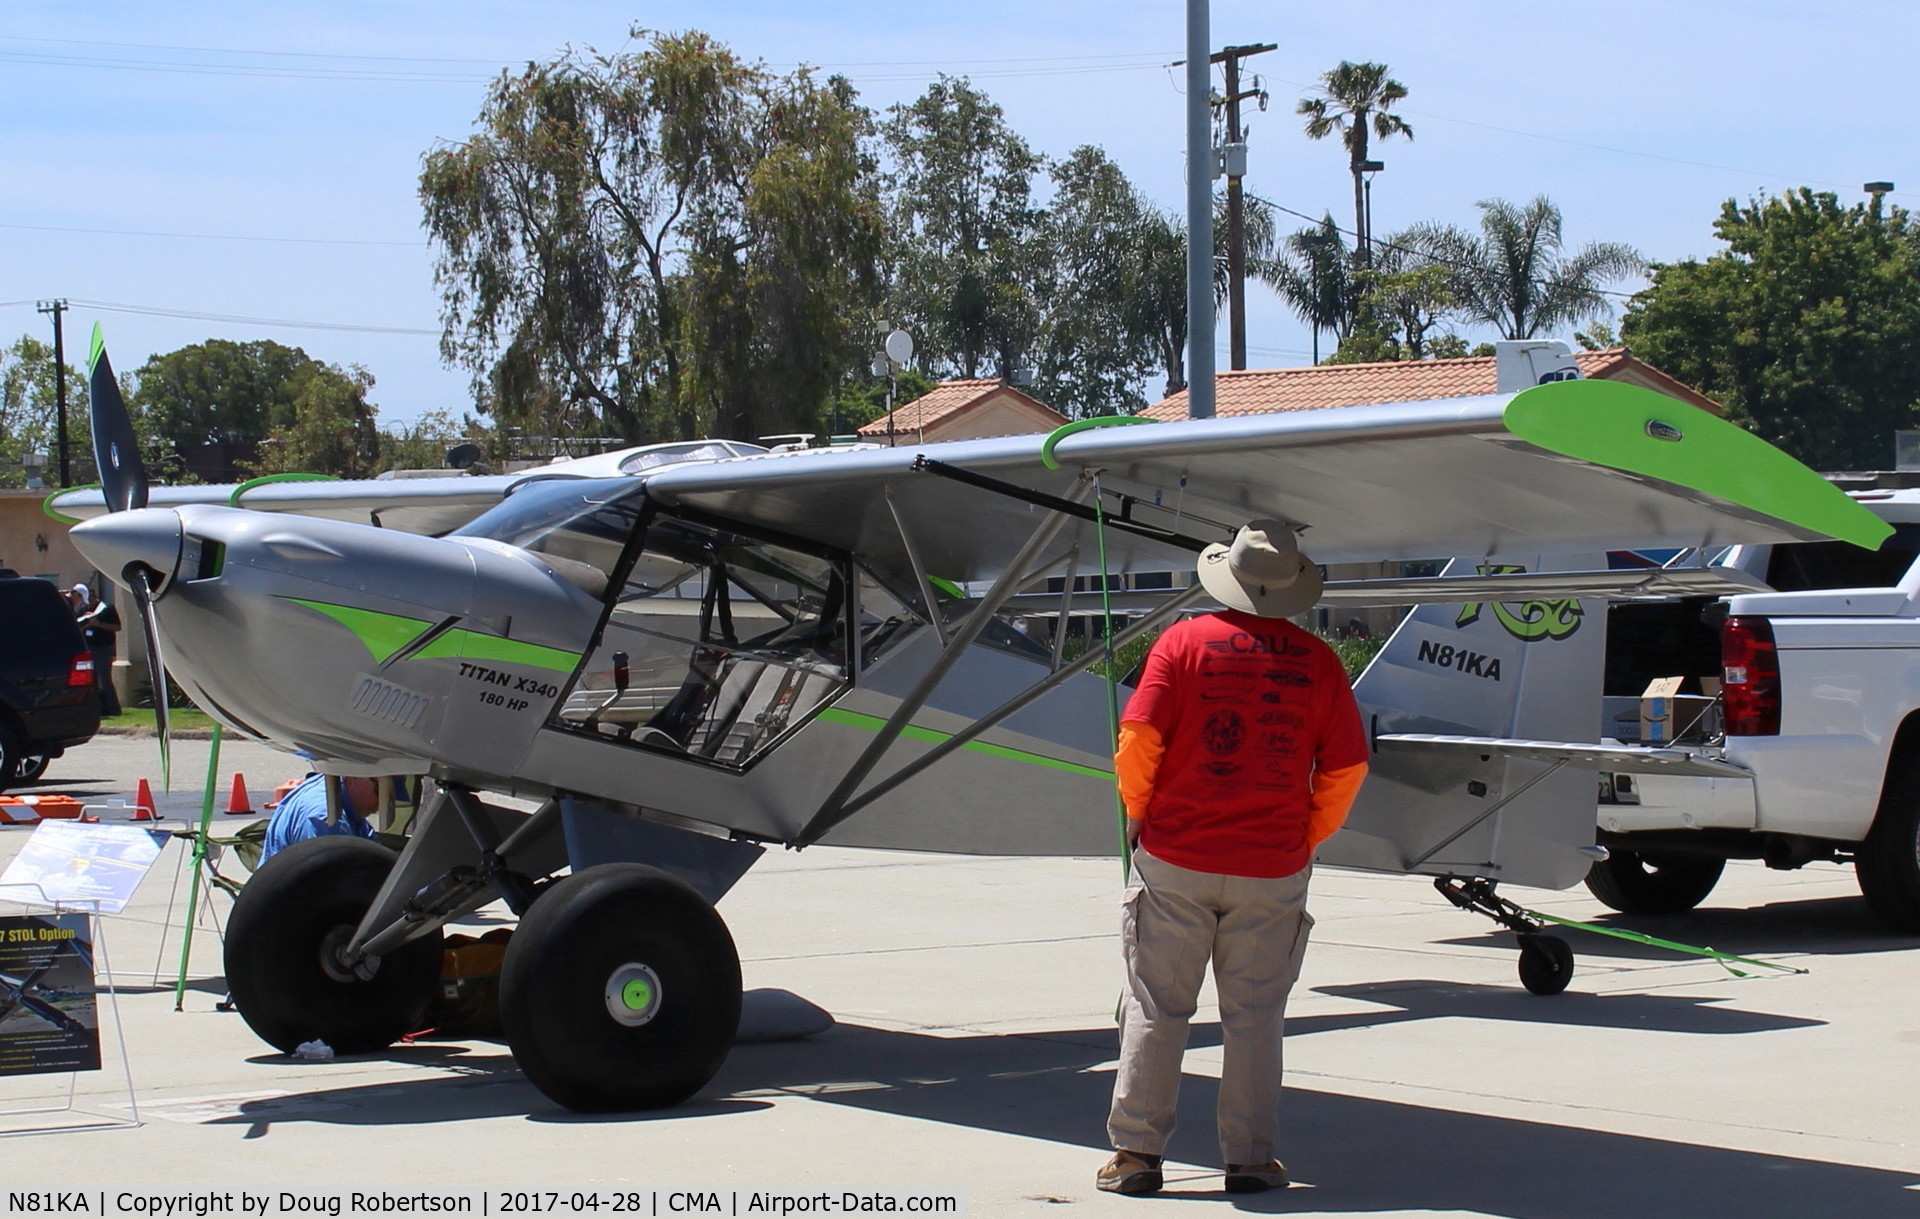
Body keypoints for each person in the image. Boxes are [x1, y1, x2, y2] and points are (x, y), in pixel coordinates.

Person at [1098, 521, 1369, 1197]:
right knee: (1254, 1016)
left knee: (1157, 1006)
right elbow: (1346, 766)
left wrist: (1139, 813)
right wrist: (1306, 835)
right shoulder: (1320, 662)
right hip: (1271, 865)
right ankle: (1250, 1156)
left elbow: (1138, 737)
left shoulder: (1182, 642)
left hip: (1174, 854)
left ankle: (1136, 1156)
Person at [259, 773, 379, 864]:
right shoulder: (325, 818)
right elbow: (335, 884)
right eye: (379, 790)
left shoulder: (345, 799)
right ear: (354, 777)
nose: (383, 803)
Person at [69, 582, 122, 716]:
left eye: (90, 599)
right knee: (91, 680)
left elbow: (117, 627)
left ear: (94, 596)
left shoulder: (106, 609)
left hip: (103, 648)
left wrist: (98, 624)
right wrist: (85, 624)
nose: (87, 603)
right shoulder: (82, 610)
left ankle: (113, 708)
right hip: (88, 648)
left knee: (104, 680)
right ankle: (98, 708)